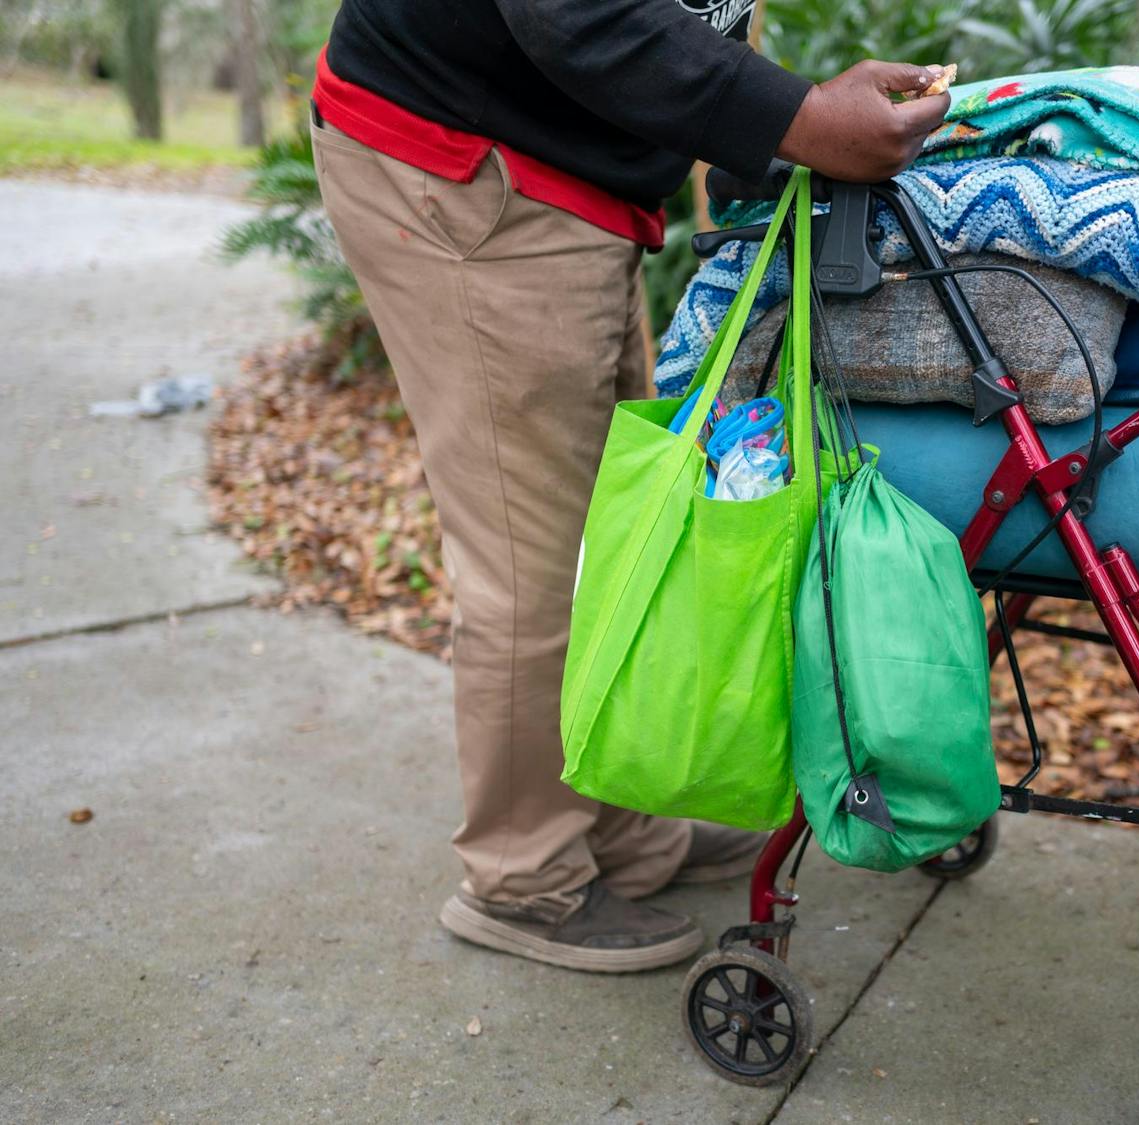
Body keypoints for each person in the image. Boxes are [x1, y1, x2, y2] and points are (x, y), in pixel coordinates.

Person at [310, 0, 950, 973]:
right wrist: (804, 119)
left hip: (571, 166)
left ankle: (619, 829)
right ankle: (523, 878)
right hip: (465, 157)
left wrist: (771, 129)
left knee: (613, 519)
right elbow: (583, 13)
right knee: (534, 555)